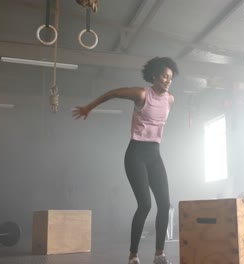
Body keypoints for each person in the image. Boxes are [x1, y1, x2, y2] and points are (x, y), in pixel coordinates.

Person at [72, 57, 179, 264]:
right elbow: (113, 93)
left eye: (171, 78)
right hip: (136, 154)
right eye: (165, 76)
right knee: (145, 204)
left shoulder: (170, 99)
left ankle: (159, 254)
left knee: (164, 205)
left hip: (155, 154)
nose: (167, 80)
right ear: (155, 76)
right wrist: (89, 107)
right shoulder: (141, 94)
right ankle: (133, 255)